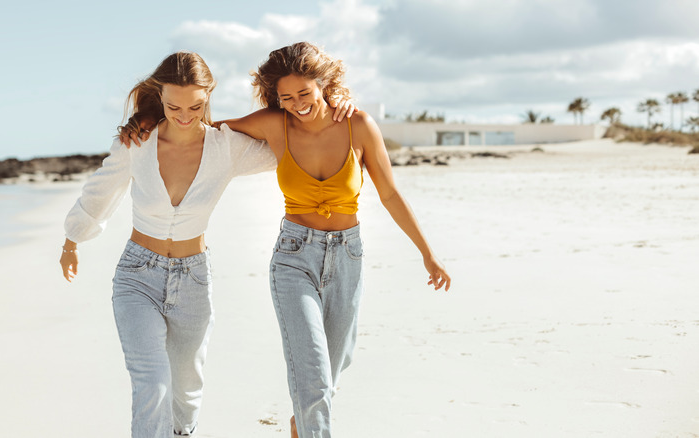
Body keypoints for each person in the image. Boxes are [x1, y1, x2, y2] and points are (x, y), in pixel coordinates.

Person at [122, 42, 451, 437]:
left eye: (305, 94)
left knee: (334, 365)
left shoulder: (358, 125)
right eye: (286, 97)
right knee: (312, 375)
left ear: (324, 85)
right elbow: (201, 128)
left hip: (348, 255)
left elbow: (391, 194)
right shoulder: (274, 124)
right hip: (295, 256)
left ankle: (303, 421)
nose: (297, 104)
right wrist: (146, 118)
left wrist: (427, 254)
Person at [59, 52, 280, 438]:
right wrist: (71, 240)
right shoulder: (137, 142)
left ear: (209, 96)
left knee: (186, 392)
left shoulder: (226, 147)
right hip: (137, 277)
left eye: (196, 106)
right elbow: (100, 191)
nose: (184, 115)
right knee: (152, 383)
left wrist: (334, 111)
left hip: (194, 280)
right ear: (158, 96)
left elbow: (287, 146)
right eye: (174, 105)